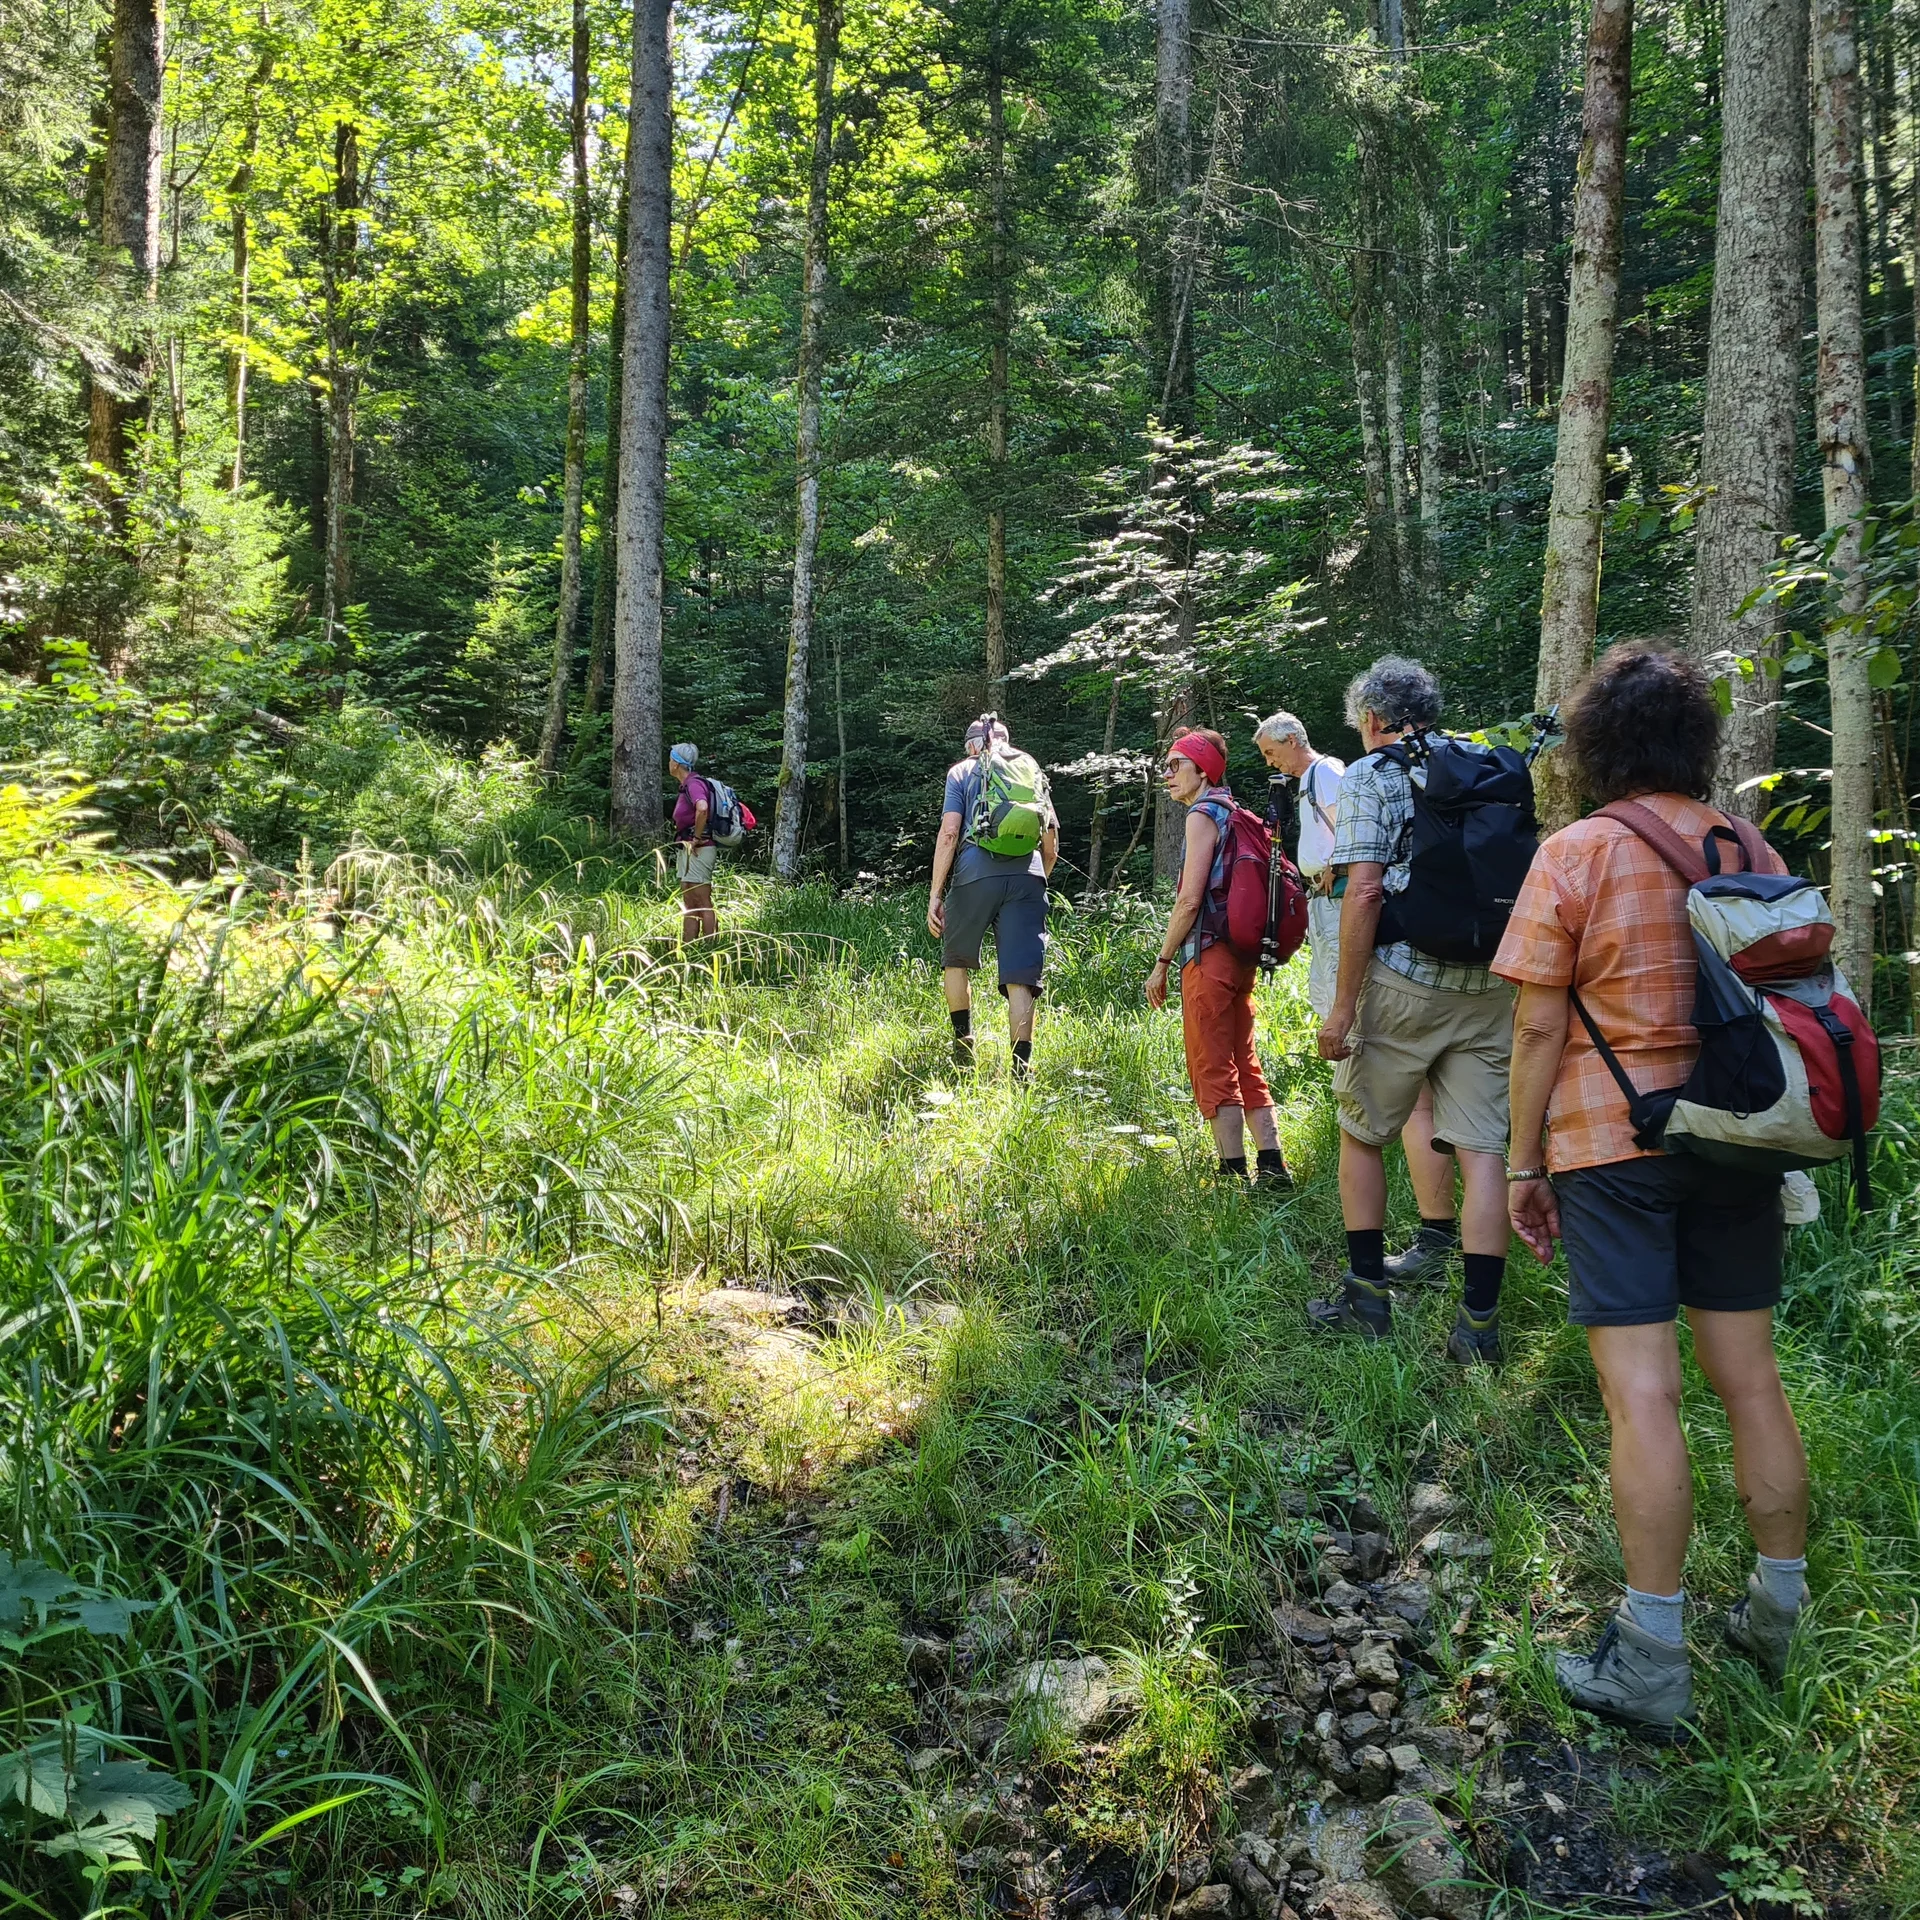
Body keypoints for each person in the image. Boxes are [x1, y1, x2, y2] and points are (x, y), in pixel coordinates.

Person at [1493, 643, 1808, 1730]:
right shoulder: (1747, 840)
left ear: (1594, 747)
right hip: (1742, 1138)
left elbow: (1537, 1021)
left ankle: (1652, 1655)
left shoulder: (1576, 851)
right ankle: (1779, 1614)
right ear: (1696, 744)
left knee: (1644, 1394)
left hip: (1611, 1148)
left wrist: (1525, 1162)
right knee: (1752, 1383)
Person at [1311, 658, 1512, 1362]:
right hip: (1493, 984)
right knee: (1485, 1148)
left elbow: (1365, 891)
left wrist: (1342, 1010)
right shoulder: (1483, 762)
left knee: (1363, 1131)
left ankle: (1367, 1299)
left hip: (1404, 980)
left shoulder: (1374, 774)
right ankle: (1479, 1327)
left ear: (1371, 718)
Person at [1256, 710, 1460, 1281]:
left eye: (1273, 753)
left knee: (1381, 1086)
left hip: (1348, 904)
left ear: (1295, 740)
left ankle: (1371, 1281)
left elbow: (1360, 841)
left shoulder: (1330, 773)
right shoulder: (1319, 777)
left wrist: (1337, 871)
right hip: (1438, 966)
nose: (1271, 764)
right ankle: (1442, 1239)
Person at [1147, 729, 1293, 1189]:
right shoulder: (1237, 812)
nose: (1167, 775)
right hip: (1241, 953)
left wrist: (1163, 961)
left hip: (1207, 954)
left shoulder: (1202, 815)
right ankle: (1272, 1165)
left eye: (1176, 765)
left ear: (1203, 770)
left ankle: (1232, 1175)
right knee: (1242, 1056)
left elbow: (1189, 901)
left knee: (1211, 1060)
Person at [927, 717, 1059, 1077]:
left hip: (973, 874)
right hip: (1028, 876)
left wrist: (936, 893)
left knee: (956, 959)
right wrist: (1035, 882)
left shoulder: (961, 772)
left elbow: (950, 833)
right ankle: (1020, 1071)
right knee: (1020, 978)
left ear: (973, 745)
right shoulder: (1030, 771)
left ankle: (963, 1048)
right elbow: (1051, 845)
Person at [668, 742, 720, 941]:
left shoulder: (693, 784)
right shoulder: (686, 785)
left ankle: (710, 948)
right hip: (688, 849)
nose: (669, 762)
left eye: (671, 758)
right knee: (689, 901)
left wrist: (696, 838)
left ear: (677, 764)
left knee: (702, 901)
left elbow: (703, 807)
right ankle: (688, 947)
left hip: (700, 849)